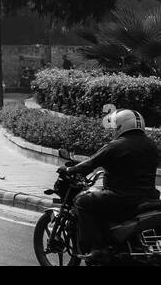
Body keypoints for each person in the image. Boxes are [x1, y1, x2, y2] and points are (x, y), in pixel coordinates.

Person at [64, 108, 160, 262]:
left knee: (82, 201)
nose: (114, 130)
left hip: (121, 198)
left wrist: (70, 170)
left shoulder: (116, 145)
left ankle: (98, 249)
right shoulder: (151, 145)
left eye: (115, 126)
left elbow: (91, 163)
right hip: (149, 197)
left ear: (122, 125)